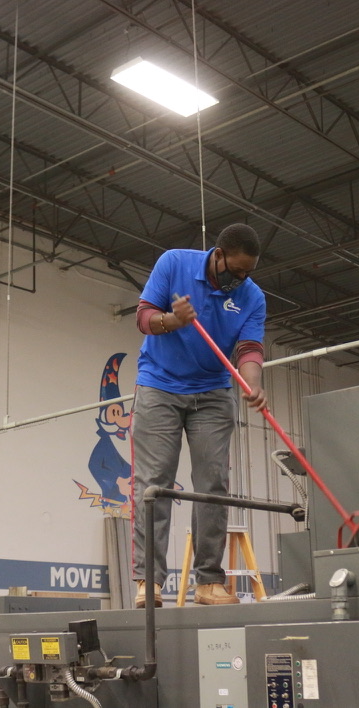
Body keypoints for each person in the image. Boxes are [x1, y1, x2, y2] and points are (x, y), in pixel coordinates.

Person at [130, 223, 267, 607]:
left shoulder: (252, 296)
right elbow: (143, 317)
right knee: (154, 483)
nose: (239, 279)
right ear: (218, 255)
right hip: (160, 385)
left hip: (213, 392)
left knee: (213, 484)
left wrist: (252, 382)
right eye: (235, 270)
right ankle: (149, 582)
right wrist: (172, 321)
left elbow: (250, 348)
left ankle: (208, 582)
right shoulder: (174, 263)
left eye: (248, 273)